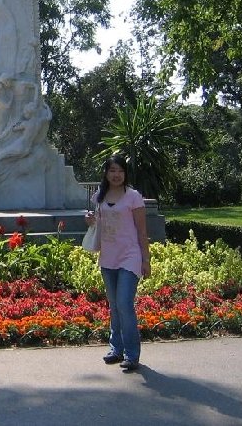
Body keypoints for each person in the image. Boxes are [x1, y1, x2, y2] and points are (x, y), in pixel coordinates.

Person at [85, 154, 151, 371]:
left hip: (130, 256)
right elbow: (100, 224)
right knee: (114, 306)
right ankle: (116, 349)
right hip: (108, 256)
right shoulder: (100, 197)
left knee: (124, 303)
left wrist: (146, 259)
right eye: (112, 170)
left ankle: (132, 354)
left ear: (125, 173)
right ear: (106, 173)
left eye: (120, 171)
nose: (116, 175)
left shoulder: (133, 197)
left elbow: (142, 231)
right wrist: (91, 221)